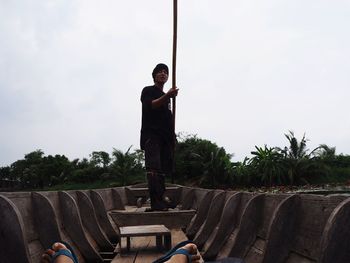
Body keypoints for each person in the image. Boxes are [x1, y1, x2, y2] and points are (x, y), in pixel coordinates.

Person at [140, 63, 179, 211]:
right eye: (160, 72)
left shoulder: (167, 99)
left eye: (165, 72)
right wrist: (168, 95)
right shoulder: (148, 90)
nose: (163, 74)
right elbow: (150, 106)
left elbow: (168, 119)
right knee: (154, 169)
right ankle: (156, 203)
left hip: (164, 138)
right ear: (154, 75)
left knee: (161, 171)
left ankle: (161, 200)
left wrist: (172, 138)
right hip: (152, 135)